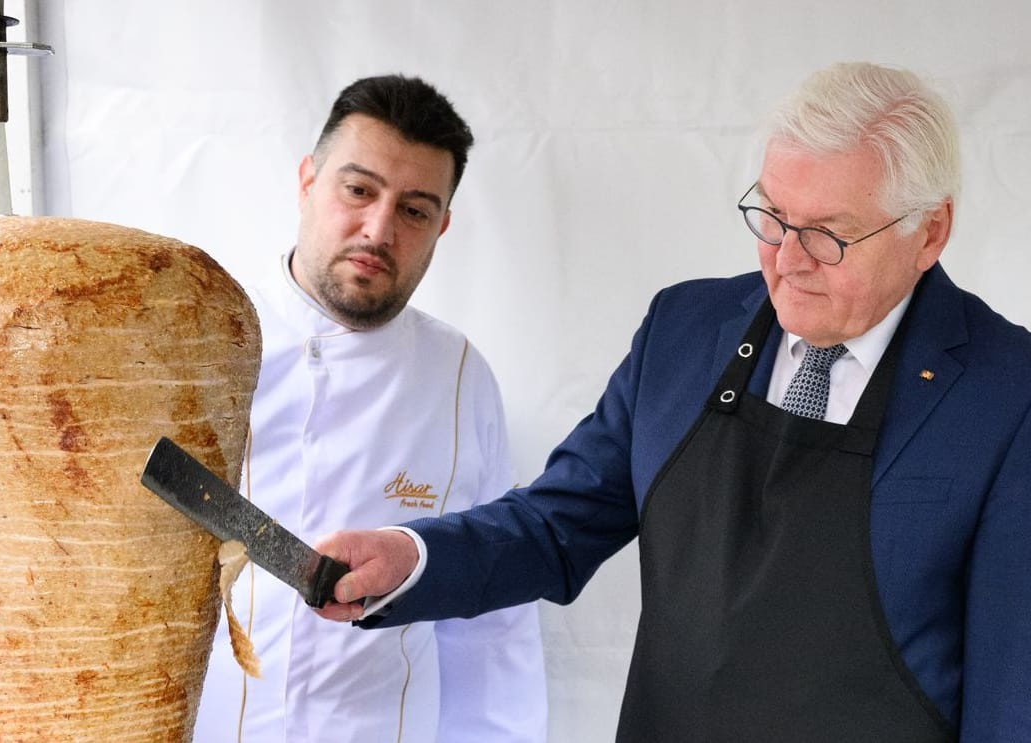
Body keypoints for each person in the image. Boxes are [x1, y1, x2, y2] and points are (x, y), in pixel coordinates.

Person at [317, 62, 1031, 742]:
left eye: (827, 235)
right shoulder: (684, 331)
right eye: (774, 216)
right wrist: (410, 557)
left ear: (928, 231)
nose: (786, 258)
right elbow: (557, 524)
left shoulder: (1007, 395)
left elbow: (1013, 692)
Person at [192, 75, 547, 743]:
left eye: (415, 209)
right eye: (358, 190)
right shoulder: (203, 340)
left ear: (442, 225)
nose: (378, 230)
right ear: (307, 181)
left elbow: (492, 618)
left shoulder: (460, 376)